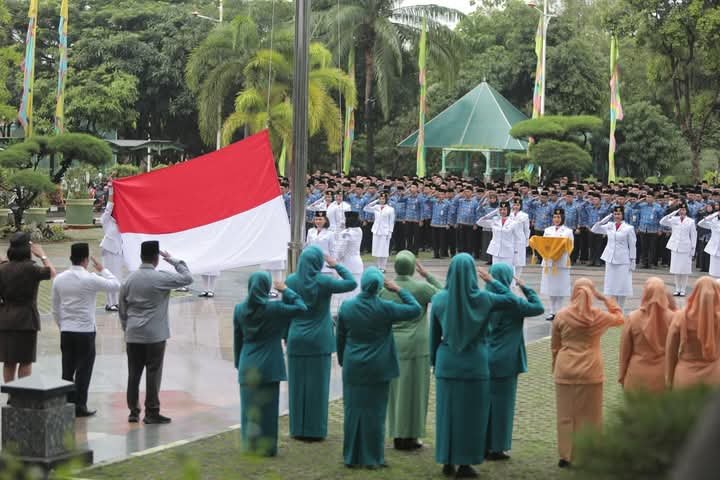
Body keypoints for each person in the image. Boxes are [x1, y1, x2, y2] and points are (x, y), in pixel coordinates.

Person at [430, 254, 517, 478]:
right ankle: (465, 463)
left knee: (447, 413)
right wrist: (494, 281)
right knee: (471, 416)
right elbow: (511, 299)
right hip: (475, 362)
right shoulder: (484, 299)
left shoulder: (440, 299)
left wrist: (434, 362)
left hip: (447, 361)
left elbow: (434, 336)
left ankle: (446, 459)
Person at [336, 268, 421, 468]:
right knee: (375, 413)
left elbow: (340, 337)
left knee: (353, 410)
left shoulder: (347, 307)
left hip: (353, 365)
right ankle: (373, 457)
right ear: (379, 286)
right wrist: (399, 290)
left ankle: (352, 455)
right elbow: (415, 309)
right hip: (379, 366)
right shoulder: (386, 308)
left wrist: (342, 359)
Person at [285, 246, 357, 441]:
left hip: (297, 338)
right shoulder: (324, 281)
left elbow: (285, 312)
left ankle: (297, 428)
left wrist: (286, 337)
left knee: (297, 386)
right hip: (319, 339)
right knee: (318, 386)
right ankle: (315, 429)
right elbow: (351, 283)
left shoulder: (290, 281)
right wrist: (336, 265)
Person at [552, 278, 624, 467]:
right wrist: (605, 299)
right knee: (591, 415)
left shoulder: (561, 315)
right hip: (591, 368)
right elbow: (619, 317)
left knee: (566, 414)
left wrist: (555, 366)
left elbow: (555, 346)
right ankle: (588, 452)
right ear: (592, 294)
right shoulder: (598, 316)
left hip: (565, 368)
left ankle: (565, 455)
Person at [119, 241, 193, 424]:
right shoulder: (161, 278)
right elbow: (187, 278)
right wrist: (173, 260)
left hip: (133, 333)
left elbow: (122, 308)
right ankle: (152, 412)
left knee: (133, 373)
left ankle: (133, 412)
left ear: (141, 256)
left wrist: (126, 327)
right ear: (156, 259)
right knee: (153, 372)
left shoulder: (129, 279)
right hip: (155, 335)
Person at [233, 272, 307, 456]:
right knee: (268, 409)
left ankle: (250, 446)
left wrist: (238, 363)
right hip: (270, 364)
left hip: (247, 362)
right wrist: (286, 290)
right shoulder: (276, 309)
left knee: (249, 409)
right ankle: (267, 448)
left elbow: (237, 340)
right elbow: (301, 307)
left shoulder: (239, 309)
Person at [379, 252, 442, 450]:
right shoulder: (421, 288)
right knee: (415, 392)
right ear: (413, 267)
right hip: (416, 345)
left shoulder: (384, 288)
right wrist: (428, 276)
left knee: (394, 392)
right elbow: (444, 296)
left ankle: (396, 433)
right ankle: (411, 435)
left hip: (392, 344)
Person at [52, 243, 120, 417]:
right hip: (85, 331)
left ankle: (67, 403)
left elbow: (55, 308)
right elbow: (115, 285)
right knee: (84, 370)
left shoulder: (59, 279)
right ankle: (80, 405)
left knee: (67, 369)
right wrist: (102, 269)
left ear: (71, 258)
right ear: (86, 259)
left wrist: (62, 325)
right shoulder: (90, 278)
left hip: (67, 331)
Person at [485, 263, 544, 460]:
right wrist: (525, 288)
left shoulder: (482, 299)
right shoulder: (512, 304)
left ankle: (482, 442)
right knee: (503, 406)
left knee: (484, 404)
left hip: (484, 357)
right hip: (507, 359)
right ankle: (497, 447)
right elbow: (538, 307)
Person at [0, 233, 56, 382]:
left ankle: (11, 394)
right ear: (27, 249)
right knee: (25, 360)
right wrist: (42, 255)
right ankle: (23, 395)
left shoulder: (3, 269)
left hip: (5, 319)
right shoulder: (32, 269)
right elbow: (52, 272)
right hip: (27, 320)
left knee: (9, 361)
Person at [618, 277, 676, 393]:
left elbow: (624, 352)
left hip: (636, 375)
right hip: (662, 376)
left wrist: (622, 375)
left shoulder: (632, 318)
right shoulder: (673, 318)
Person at [666, 277, 720, 389]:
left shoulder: (680, 317)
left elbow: (671, 351)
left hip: (685, 377)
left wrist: (670, 379)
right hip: (715, 378)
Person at [591, 205, 637, 311]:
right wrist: (604, 220)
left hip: (623, 260)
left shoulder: (629, 228)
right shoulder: (609, 226)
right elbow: (594, 229)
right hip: (610, 258)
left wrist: (633, 259)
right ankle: (613, 309)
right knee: (611, 286)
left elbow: (633, 245)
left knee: (622, 286)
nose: (617, 216)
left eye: (619, 214)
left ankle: (620, 309)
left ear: (623, 215)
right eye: (615, 214)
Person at [541, 208, 574, 321]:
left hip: (561, 261)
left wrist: (559, 252)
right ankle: (552, 311)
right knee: (551, 288)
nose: (556, 219)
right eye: (555, 217)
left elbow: (571, 246)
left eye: (559, 217)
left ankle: (559, 311)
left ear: (563, 218)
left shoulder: (568, 231)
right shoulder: (547, 230)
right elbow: (544, 244)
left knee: (560, 288)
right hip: (549, 261)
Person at [660, 202, 696, 296]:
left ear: (686, 210)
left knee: (684, 270)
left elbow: (693, 236)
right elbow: (662, 221)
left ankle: (683, 289)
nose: (682, 211)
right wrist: (673, 213)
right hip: (675, 247)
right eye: (680, 210)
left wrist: (693, 249)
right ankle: (677, 288)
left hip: (686, 247)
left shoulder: (690, 221)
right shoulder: (674, 219)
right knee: (676, 270)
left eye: (683, 210)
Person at [475, 201, 521, 275]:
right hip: (496, 251)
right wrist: (493, 212)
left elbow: (518, 238)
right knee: (496, 272)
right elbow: (479, 222)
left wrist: (516, 251)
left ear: (508, 210)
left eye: (504, 209)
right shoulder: (495, 221)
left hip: (508, 251)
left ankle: (510, 286)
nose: (502, 211)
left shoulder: (514, 222)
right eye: (501, 209)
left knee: (508, 271)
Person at [99, 185, 124, 311]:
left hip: (118, 250)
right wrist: (112, 190)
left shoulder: (122, 221)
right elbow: (109, 205)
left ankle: (116, 302)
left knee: (118, 277)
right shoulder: (106, 219)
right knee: (109, 277)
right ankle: (110, 303)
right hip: (109, 249)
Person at [335, 211, 364, 300]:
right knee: (356, 290)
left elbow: (340, 251)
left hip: (347, 263)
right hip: (357, 262)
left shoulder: (346, 233)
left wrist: (336, 260)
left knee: (346, 294)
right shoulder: (359, 230)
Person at [363, 192, 395, 272]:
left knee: (384, 250)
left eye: (383, 199)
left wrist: (390, 232)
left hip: (385, 231)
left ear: (386, 199)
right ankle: (378, 266)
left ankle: (383, 267)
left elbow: (391, 222)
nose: (382, 200)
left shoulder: (390, 209)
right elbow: (366, 208)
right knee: (376, 249)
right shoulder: (376, 207)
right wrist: (376, 200)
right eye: (380, 198)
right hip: (376, 230)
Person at [510, 198, 531, 278]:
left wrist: (527, 240)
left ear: (520, 206)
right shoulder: (509, 214)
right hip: (510, 239)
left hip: (520, 239)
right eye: (514, 205)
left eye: (518, 205)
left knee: (519, 260)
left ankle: (517, 278)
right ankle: (511, 277)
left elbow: (526, 229)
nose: (516, 207)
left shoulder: (524, 216)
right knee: (511, 259)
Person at [698, 209, 720, 278]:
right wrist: (710, 217)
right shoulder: (713, 221)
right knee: (713, 272)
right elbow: (700, 224)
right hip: (714, 249)